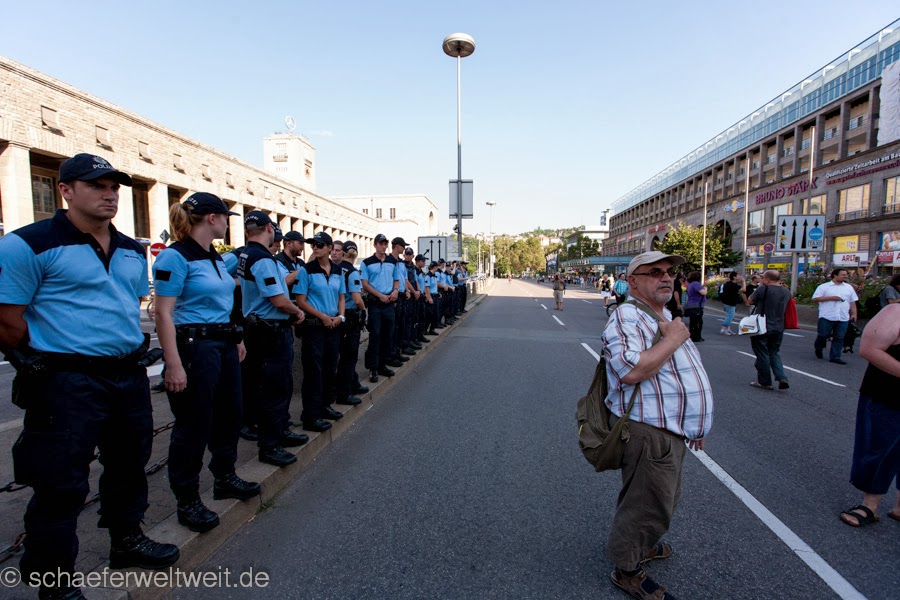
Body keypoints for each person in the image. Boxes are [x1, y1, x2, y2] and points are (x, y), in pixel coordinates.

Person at [0, 154, 179, 599]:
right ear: (65, 190)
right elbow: (8, 321)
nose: (110, 194)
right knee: (60, 483)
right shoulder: (27, 244)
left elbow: (125, 306)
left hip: (127, 375)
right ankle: (54, 581)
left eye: (114, 187)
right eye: (97, 185)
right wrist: (54, 352)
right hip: (66, 382)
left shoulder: (131, 249)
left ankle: (126, 541)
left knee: (129, 466)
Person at [601, 251, 713, 600]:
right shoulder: (627, 316)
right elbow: (631, 370)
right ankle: (627, 569)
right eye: (654, 272)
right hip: (648, 431)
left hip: (670, 430)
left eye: (669, 272)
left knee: (663, 499)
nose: (666, 277)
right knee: (646, 505)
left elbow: (677, 375)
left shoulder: (661, 315)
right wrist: (674, 338)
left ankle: (641, 545)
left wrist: (694, 424)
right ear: (632, 282)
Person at [152, 193, 260, 533]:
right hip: (194, 347)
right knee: (194, 424)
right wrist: (172, 363)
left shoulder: (213, 256)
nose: (228, 223)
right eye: (225, 217)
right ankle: (187, 500)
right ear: (212, 218)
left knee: (230, 415)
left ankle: (224, 477)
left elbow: (223, 303)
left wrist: (236, 338)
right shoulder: (175, 256)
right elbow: (163, 313)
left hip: (222, 344)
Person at [237, 211, 308, 467]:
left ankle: (280, 432)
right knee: (275, 389)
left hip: (260, 328)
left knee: (271, 387)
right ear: (269, 228)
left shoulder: (246, 254)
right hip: (270, 331)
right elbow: (277, 299)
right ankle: (270, 446)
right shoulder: (262, 259)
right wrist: (296, 311)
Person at [838, 303, 900, 527]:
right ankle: (870, 505)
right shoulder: (895, 312)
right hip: (888, 395)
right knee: (880, 448)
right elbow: (869, 349)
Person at [294, 232, 346, 432]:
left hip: (333, 325)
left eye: (320, 244)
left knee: (330, 367)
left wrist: (340, 316)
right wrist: (322, 317)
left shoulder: (338, 271)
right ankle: (311, 415)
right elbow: (301, 301)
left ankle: (325, 406)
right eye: (313, 244)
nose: (315, 247)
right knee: (313, 371)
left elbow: (341, 297)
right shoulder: (306, 271)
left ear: (330, 248)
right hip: (314, 327)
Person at [361, 234, 401, 383]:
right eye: (381, 244)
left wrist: (395, 291)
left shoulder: (392, 262)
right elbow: (365, 283)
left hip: (389, 302)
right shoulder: (367, 262)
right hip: (375, 303)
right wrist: (379, 295)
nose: (383, 246)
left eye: (385, 244)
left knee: (388, 334)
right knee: (375, 335)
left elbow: (396, 279)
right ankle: (373, 368)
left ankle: (383, 364)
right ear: (375, 245)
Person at [334, 240, 368, 405]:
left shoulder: (334, 269)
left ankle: (351, 383)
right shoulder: (352, 272)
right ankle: (345, 393)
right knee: (349, 357)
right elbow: (357, 299)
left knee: (340, 355)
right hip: (350, 316)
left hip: (337, 314)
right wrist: (363, 310)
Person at [747, 270, 792, 390]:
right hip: (779, 326)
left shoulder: (763, 289)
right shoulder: (786, 291)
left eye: (763, 278)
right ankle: (782, 377)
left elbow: (750, 301)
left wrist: (760, 286)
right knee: (774, 352)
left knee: (762, 353)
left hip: (762, 326)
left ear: (767, 279)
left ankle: (765, 382)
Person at [812, 268, 858, 365]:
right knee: (823, 335)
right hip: (827, 316)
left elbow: (852, 302)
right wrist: (830, 298)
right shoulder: (824, 287)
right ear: (835, 275)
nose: (845, 276)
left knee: (839, 337)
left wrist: (854, 313)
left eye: (846, 274)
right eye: (843, 275)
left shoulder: (848, 287)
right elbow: (815, 299)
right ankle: (819, 347)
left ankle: (835, 357)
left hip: (843, 317)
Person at [683, 271, 707, 342]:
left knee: (693, 322)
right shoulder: (696, 284)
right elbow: (703, 293)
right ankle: (697, 337)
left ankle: (692, 336)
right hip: (697, 306)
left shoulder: (689, 285)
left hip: (690, 305)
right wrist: (705, 289)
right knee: (698, 322)